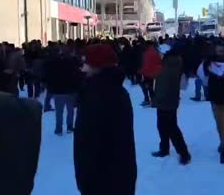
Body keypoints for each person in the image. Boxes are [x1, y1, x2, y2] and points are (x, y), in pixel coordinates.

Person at [74, 44, 137, 195]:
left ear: (98, 66)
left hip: (103, 182)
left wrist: (86, 183)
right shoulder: (114, 90)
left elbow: (90, 145)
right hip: (118, 178)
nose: (82, 68)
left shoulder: (97, 96)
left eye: (86, 63)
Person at [151, 44, 191, 165]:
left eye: (159, 52)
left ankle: (184, 153)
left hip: (166, 100)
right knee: (163, 126)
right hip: (168, 100)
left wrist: (157, 99)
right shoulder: (170, 63)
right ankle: (164, 149)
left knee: (171, 128)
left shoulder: (168, 65)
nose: (158, 54)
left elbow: (164, 85)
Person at [43, 44, 82, 135]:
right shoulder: (73, 63)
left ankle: (59, 129)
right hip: (70, 90)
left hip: (58, 90)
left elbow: (50, 76)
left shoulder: (54, 63)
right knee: (70, 111)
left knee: (59, 112)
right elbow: (77, 76)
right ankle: (69, 127)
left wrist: (50, 87)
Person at [139, 41, 162, 107]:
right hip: (152, 72)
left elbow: (145, 64)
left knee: (147, 87)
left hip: (147, 73)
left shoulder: (147, 53)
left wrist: (141, 70)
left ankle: (150, 100)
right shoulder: (155, 51)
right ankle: (152, 100)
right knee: (149, 87)